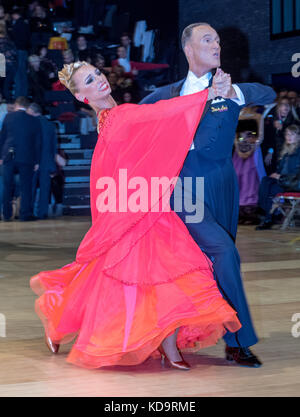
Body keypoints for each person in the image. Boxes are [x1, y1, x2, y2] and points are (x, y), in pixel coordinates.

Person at [30, 61, 242, 370]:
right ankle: (59, 323)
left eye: (98, 73)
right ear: (80, 95)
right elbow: (160, 114)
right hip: (131, 211)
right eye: (89, 80)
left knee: (166, 274)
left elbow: (154, 133)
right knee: (122, 278)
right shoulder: (117, 116)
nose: (100, 79)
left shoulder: (114, 116)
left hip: (147, 205)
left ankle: (168, 346)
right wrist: (207, 95)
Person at [141, 22, 276, 367]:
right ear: (188, 49)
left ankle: (202, 334)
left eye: (217, 39)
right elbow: (133, 118)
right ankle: (239, 341)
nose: (216, 44)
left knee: (216, 263)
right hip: (183, 187)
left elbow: (268, 93)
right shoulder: (168, 94)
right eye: (207, 39)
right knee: (225, 251)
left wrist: (234, 95)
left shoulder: (230, 88)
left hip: (222, 184)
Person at [0, 96, 41, 221]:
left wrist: (1, 156)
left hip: (8, 155)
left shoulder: (8, 117)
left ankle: (6, 215)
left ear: (16, 105)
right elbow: (37, 142)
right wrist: (37, 161)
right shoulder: (33, 120)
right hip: (26, 157)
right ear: (27, 106)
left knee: (7, 186)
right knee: (26, 187)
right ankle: (25, 214)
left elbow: (2, 138)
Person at [256, 124, 300, 230]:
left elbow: (296, 174)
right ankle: (266, 216)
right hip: (283, 181)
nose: (289, 137)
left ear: (298, 136)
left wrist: (280, 176)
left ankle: (265, 216)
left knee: (270, 188)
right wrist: (277, 175)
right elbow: (281, 170)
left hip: (294, 183)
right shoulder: (285, 152)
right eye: (287, 134)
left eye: (292, 134)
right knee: (266, 180)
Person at [27, 103, 57, 219]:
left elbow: (32, 144)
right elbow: (54, 146)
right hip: (47, 161)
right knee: (45, 188)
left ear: (33, 111)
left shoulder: (31, 123)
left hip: (34, 160)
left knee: (31, 187)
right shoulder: (50, 124)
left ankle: (29, 211)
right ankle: (42, 213)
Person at [232, 119, 264, 225]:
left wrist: (251, 145)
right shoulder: (239, 114)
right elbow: (237, 136)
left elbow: (258, 136)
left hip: (252, 151)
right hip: (240, 152)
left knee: (249, 179)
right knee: (238, 176)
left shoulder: (257, 116)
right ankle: (240, 212)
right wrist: (239, 146)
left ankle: (250, 213)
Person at [10, 7, 31, 98]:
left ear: (15, 15)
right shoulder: (25, 24)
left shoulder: (18, 24)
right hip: (24, 50)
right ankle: (23, 94)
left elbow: (15, 38)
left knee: (18, 73)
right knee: (23, 73)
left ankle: (18, 95)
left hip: (18, 51)